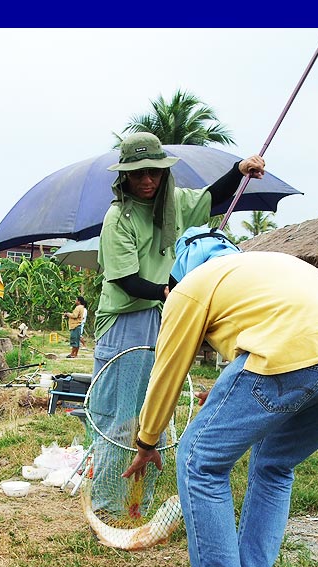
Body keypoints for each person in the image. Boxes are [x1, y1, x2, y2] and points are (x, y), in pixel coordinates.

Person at [121, 236, 318, 567]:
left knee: (198, 460)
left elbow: (168, 372)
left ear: (176, 274)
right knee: (275, 466)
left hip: (290, 350)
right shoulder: (263, 267)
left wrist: (147, 441)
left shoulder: (187, 289)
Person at [90, 131, 265, 515]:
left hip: (161, 314)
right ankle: (106, 503)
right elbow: (125, 278)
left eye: (154, 172)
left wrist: (239, 170)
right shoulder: (118, 217)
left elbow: (210, 198)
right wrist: (171, 291)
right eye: (139, 175)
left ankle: (138, 503)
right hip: (125, 318)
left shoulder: (172, 204)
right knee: (120, 417)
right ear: (126, 178)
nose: (148, 181)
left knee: (154, 411)